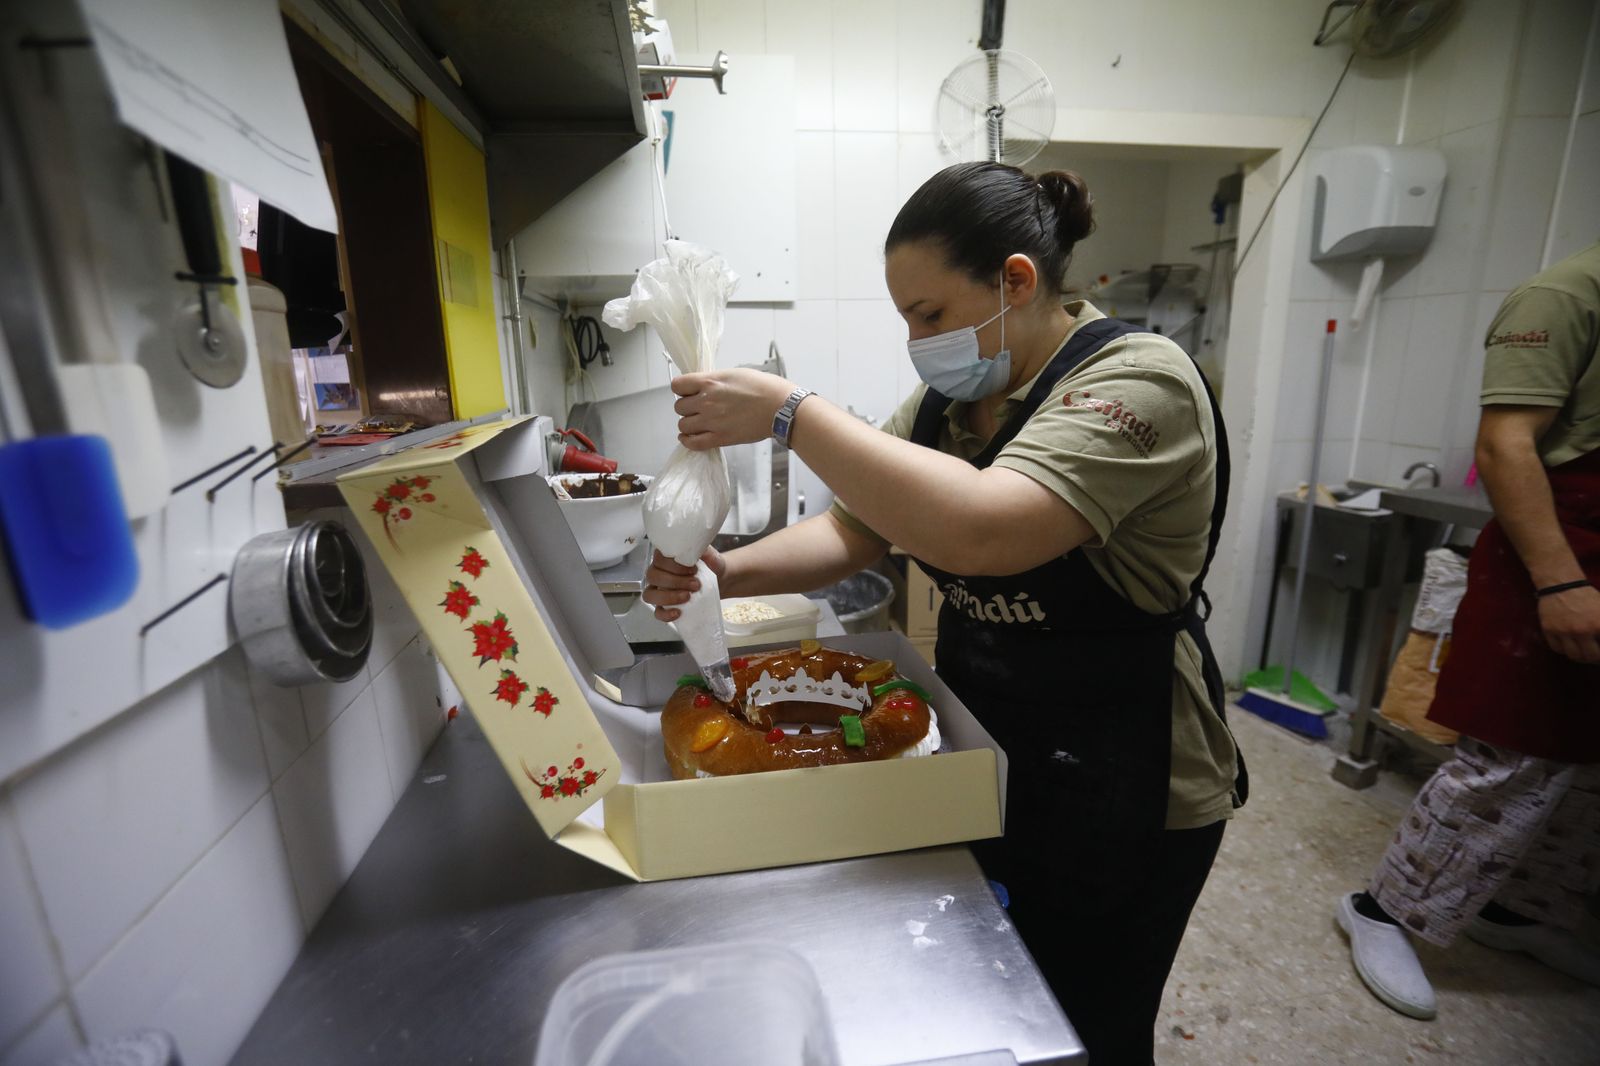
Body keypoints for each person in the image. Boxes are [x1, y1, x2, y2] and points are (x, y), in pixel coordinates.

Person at [642, 161, 1245, 1063]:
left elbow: (982, 533)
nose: (919, 342)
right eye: (906, 320)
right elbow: (855, 531)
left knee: (1089, 1026)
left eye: (930, 315)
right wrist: (725, 575)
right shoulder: (946, 402)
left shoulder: (1140, 382)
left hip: (1133, 774)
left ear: (1016, 280)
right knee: (990, 1004)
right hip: (987, 748)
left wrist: (789, 413)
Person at [1337, 240, 1600, 1019]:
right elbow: (1505, 442)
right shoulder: (1567, 296)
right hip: (1559, 558)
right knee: (1508, 763)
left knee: (1583, 764)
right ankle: (1382, 910)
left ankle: (1520, 910)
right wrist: (1560, 579)